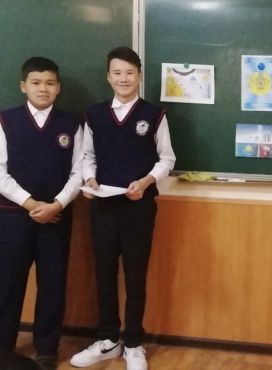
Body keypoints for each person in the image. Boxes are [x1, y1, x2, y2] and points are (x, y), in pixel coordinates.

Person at [70, 47, 175, 370]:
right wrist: (89, 179)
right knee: (103, 273)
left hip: (138, 207)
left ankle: (132, 343)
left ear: (139, 76)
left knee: (135, 274)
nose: (123, 78)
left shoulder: (154, 114)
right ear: (108, 77)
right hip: (103, 206)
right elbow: (87, 156)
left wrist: (145, 182)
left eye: (129, 72)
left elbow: (167, 158)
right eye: (117, 73)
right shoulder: (94, 114)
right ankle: (108, 340)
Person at [0, 57, 83, 370]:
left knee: (52, 282)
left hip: (56, 216)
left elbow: (79, 171)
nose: (43, 89)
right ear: (24, 86)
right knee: (8, 282)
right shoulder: (6, 120)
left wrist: (57, 204)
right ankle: (3, 347)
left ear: (58, 88)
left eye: (50, 83)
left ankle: (46, 348)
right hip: (13, 217)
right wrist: (31, 204)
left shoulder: (71, 124)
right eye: (36, 82)